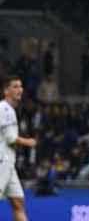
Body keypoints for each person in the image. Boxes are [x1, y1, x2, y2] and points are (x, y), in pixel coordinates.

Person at [0, 75, 37, 221]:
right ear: (6, 91)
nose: (20, 89)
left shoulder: (10, 109)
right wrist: (29, 142)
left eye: (21, 86)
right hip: (2, 161)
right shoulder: (4, 109)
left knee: (18, 203)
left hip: (9, 162)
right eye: (15, 86)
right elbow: (11, 139)